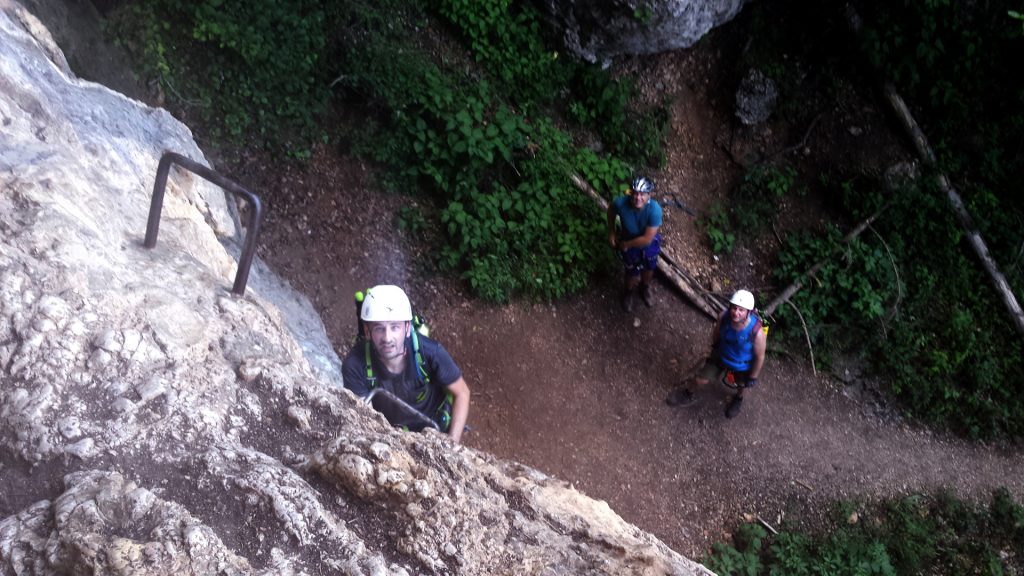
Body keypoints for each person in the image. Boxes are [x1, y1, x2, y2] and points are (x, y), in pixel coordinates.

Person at [342, 285, 471, 443]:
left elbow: (462, 393)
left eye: (395, 327)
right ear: (367, 332)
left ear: (407, 328)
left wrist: (453, 443)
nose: (387, 337)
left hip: (434, 428)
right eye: (379, 328)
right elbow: (362, 417)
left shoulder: (430, 353)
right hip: (390, 436)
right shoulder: (355, 365)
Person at [666, 289, 767, 418]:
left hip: (741, 365)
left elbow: (760, 356)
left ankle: (738, 398)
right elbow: (717, 332)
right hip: (721, 355)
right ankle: (688, 393)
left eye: (741, 310)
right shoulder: (724, 317)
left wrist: (753, 377)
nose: (736, 313)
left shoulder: (757, 333)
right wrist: (715, 346)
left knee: (741, 385)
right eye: (734, 308)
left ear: (748, 312)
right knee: (700, 379)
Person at [606, 176, 663, 311]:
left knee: (649, 267)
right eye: (636, 193)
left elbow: (647, 239)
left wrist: (627, 245)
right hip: (628, 241)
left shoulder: (655, 210)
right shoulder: (621, 203)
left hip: (646, 243)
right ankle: (628, 292)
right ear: (631, 192)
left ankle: (645, 287)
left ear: (649, 195)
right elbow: (610, 211)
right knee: (631, 271)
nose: (638, 198)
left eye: (642, 194)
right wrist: (612, 231)